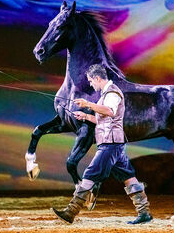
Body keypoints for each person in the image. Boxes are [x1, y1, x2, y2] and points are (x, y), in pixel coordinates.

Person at [51, 64, 153, 224]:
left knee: (90, 174)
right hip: (114, 143)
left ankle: (70, 212)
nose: (91, 84)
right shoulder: (106, 94)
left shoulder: (112, 93)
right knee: (128, 177)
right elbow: (102, 118)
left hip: (110, 143)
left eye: (91, 81)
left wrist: (88, 104)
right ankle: (144, 212)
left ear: (98, 78)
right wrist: (85, 116)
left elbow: (110, 111)